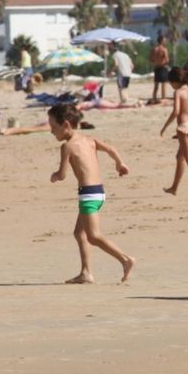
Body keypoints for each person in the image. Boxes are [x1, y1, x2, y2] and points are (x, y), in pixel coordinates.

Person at [48, 103, 135, 285]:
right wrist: (120, 164)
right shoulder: (90, 140)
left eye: (53, 127)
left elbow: (62, 175)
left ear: (66, 125)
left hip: (88, 195)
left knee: (94, 236)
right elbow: (111, 149)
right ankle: (86, 273)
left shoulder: (67, 147)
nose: (51, 132)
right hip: (98, 192)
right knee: (79, 233)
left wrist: (55, 176)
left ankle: (125, 259)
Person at [158, 67, 188, 196]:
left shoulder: (178, 92)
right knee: (180, 157)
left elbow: (176, 112)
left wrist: (164, 127)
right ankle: (174, 188)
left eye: (170, 83)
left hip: (184, 128)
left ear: (175, 81)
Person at [150, 34, 171, 102]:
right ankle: (163, 97)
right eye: (164, 40)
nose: (165, 41)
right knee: (164, 84)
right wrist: (164, 62)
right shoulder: (164, 49)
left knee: (156, 84)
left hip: (156, 67)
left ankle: (154, 97)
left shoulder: (155, 49)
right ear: (162, 41)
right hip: (163, 67)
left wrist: (156, 61)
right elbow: (167, 59)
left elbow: (151, 58)